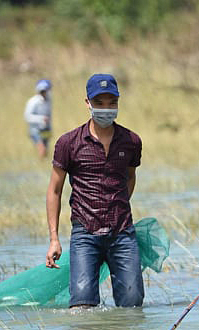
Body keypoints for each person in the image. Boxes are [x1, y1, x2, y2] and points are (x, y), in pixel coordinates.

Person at [45, 73, 144, 308]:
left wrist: (114, 206)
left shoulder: (131, 141)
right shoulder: (68, 143)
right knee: (82, 305)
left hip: (122, 233)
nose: (106, 109)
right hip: (85, 234)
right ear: (88, 103)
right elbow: (54, 191)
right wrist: (54, 239)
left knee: (132, 302)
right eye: (99, 103)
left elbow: (130, 178)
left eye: (112, 103)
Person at [24, 79, 53, 159]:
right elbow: (27, 117)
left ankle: (43, 164)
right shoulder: (33, 102)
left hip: (46, 128)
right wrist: (41, 119)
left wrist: (50, 127)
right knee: (41, 148)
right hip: (35, 129)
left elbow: (49, 114)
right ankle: (40, 163)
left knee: (46, 150)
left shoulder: (49, 100)